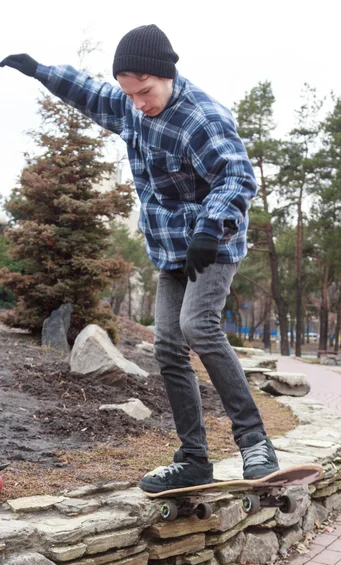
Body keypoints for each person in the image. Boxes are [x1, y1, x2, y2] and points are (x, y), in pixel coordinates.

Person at [1, 24, 279, 492]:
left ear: (166, 75)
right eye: (130, 94)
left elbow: (237, 176)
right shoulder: (132, 106)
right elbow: (88, 92)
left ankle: (255, 442)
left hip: (214, 242)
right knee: (168, 345)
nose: (139, 103)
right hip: (171, 249)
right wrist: (39, 71)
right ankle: (194, 457)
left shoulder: (202, 118)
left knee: (198, 326)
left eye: (145, 92)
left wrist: (211, 225)